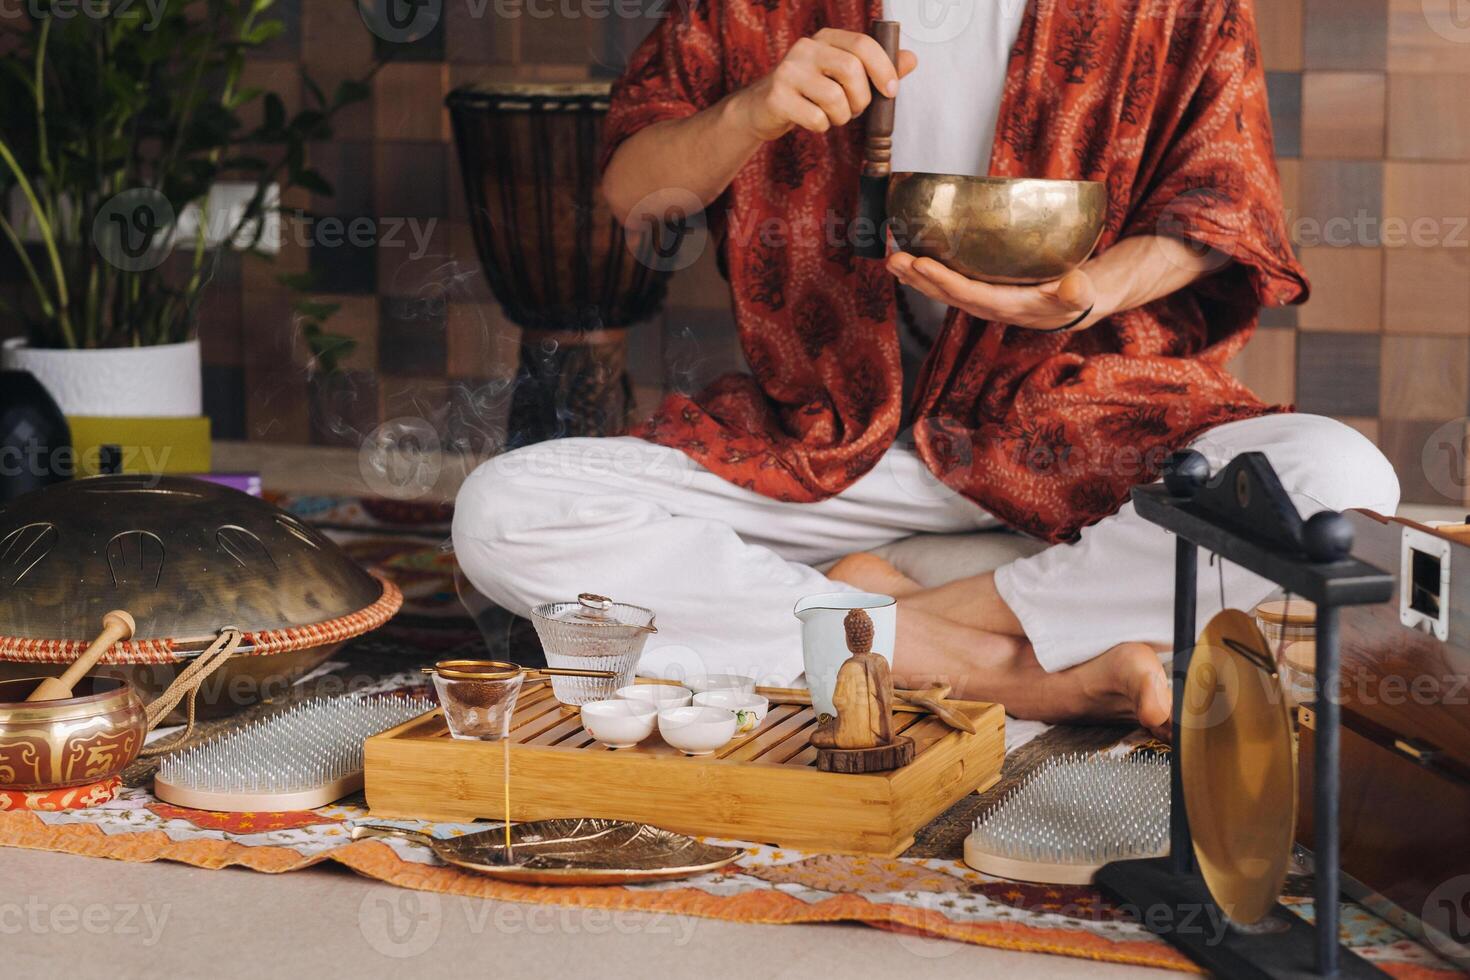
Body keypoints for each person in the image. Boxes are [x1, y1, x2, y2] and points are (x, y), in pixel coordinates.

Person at [453, 0, 1398, 732]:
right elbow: (633, 190)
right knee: (503, 512)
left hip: (1079, 429)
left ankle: (878, 612)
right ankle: (1013, 669)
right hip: (831, 439)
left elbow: (1224, 211)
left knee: (1337, 483)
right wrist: (753, 110)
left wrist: (1089, 292)